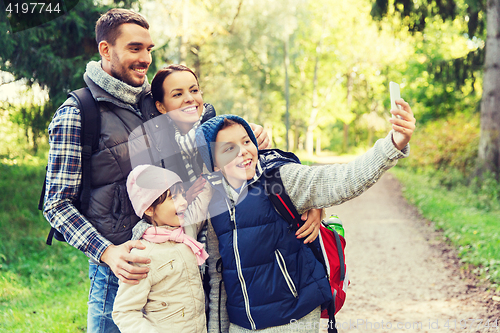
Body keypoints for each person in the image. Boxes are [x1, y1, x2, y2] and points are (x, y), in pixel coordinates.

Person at [40, 8, 298, 332]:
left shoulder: (161, 99)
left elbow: (225, 143)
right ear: (105, 50)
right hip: (122, 269)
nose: (146, 58)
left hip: (183, 262)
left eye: (149, 48)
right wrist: (108, 253)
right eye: (135, 48)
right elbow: (57, 203)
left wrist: (256, 136)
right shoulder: (78, 113)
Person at [195, 101, 415, 332]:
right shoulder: (214, 203)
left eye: (246, 141)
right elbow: (217, 276)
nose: (243, 152)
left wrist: (392, 144)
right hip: (241, 325)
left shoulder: (279, 180)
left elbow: (342, 179)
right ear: (215, 165)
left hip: (293, 318)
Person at [112, 164, 211, 333]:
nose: (183, 202)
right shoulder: (143, 254)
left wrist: (212, 169)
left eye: (182, 194)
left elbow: (203, 201)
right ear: (149, 208)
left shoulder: (187, 232)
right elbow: (124, 311)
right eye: (173, 197)